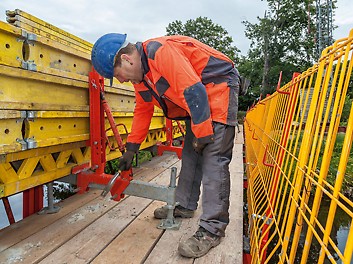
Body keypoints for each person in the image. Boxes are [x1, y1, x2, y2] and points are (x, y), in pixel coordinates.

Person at [91, 33, 240, 258]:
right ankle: (186, 205)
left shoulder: (159, 52)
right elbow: (143, 110)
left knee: (213, 158)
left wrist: (202, 134)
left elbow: (193, 90)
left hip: (218, 88)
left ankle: (212, 229)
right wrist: (132, 148)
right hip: (198, 98)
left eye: (117, 75)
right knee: (191, 153)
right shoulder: (142, 77)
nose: (121, 81)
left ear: (126, 60)